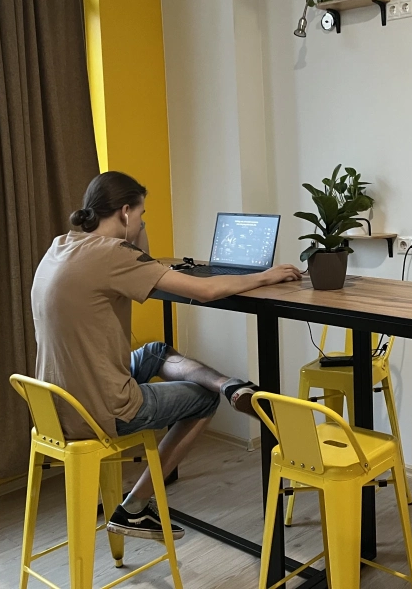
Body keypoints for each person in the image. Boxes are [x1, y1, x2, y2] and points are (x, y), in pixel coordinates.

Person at [31, 171, 301, 540]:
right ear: (125, 211)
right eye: (141, 214)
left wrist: (134, 227)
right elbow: (204, 291)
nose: (143, 222)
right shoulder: (113, 254)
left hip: (56, 399)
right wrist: (265, 276)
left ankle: (230, 385)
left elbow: (144, 258)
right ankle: (135, 508)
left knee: (155, 352)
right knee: (202, 400)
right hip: (100, 407)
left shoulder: (61, 245)